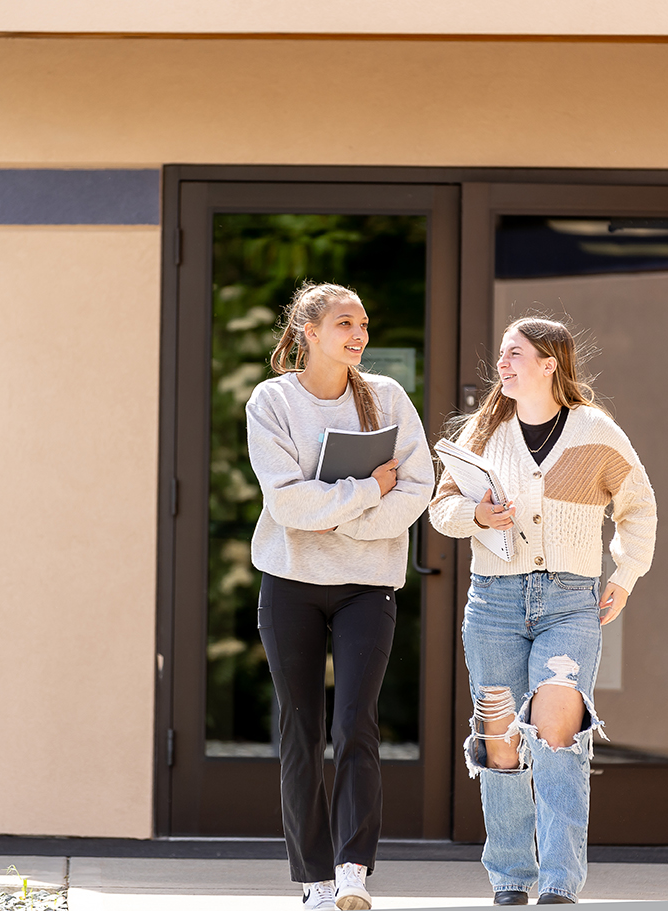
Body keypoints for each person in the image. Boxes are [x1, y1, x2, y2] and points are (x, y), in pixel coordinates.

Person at [429, 317, 657, 905]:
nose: (501, 364)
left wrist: (625, 575)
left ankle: (559, 882)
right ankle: (511, 879)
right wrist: (475, 517)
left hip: (568, 602)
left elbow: (639, 507)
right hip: (494, 602)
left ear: (550, 362)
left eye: (514, 354)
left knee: (557, 737)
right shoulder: (482, 431)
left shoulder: (595, 432)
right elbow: (441, 508)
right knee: (501, 741)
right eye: (502, 354)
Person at [246, 282, 435, 911]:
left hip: (367, 586)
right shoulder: (272, 401)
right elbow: (286, 502)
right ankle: (314, 879)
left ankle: (354, 870)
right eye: (345, 324)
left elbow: (417, 490)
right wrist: (364, 491)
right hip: (292, 582)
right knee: (301, 729)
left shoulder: (385, 398)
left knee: (355, 723)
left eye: (364, 323)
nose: (359, 335)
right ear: (309, 331)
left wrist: (344, 517)